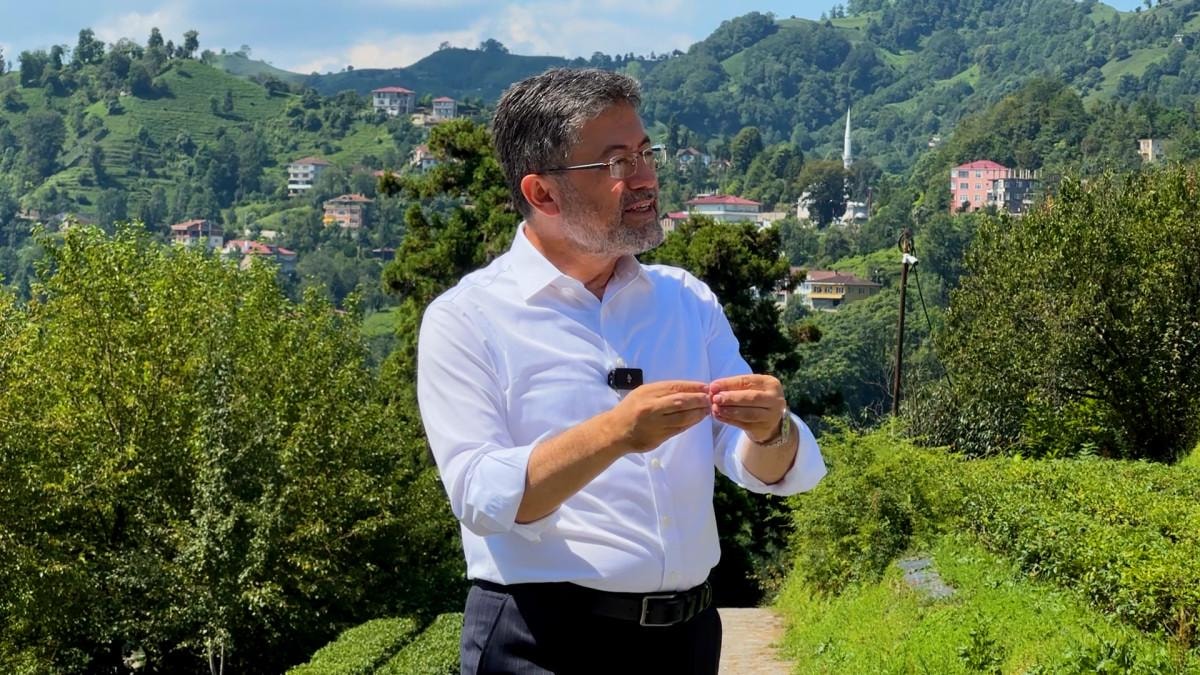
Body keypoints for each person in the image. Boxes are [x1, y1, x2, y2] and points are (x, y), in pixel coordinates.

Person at [416, 68, 826, 675]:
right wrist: (617, 433)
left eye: (645, 154)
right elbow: (481, 496)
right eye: (616, 163)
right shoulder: (467, 318)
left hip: (687, 640)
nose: (645, 178)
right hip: (542, 643)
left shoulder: (685, 300)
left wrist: (772, 430)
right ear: (543, 193)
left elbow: (753, 463)